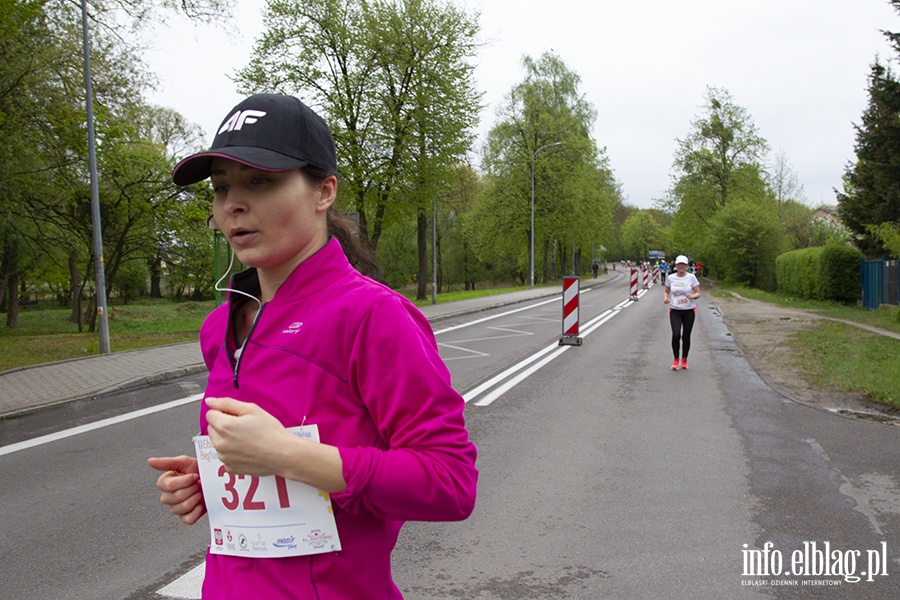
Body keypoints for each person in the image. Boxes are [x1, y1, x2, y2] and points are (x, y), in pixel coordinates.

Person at [147, 93, 477, 600]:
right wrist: (214, 480)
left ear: (324, 192)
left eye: (261, 181)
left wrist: (287, 456)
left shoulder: (373, 315)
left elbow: (451, 481)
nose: (232, 203)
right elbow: (272, 488)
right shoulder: (220, 325)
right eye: (221, 187)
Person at [663, 255, 700, 370]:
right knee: (676, 335)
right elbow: (666, 292)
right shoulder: (671, 278)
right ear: (676, 265)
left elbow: (698, 293)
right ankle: (676, 359)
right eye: (679, 265)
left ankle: (684, 358)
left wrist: (692, 296)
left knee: (686, 336)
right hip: (675, 310)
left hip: (689, 310)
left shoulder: (691, 277)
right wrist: (665, 298)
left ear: (687, 266)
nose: (681, 267)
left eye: (683, 265)